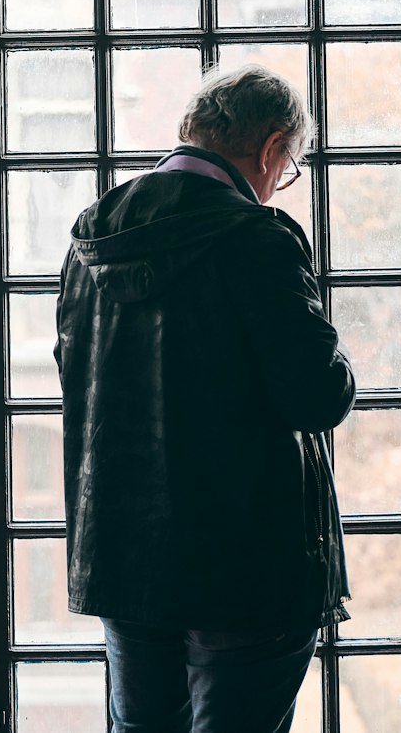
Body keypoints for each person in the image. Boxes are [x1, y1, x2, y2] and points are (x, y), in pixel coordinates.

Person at [54, 65, 355, 733]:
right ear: (273, 148)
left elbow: (75, 378)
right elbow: (318, 395)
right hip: (249, 564)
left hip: (126, 557)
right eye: (290, 165)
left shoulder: (92, 237)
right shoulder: (258, 239)